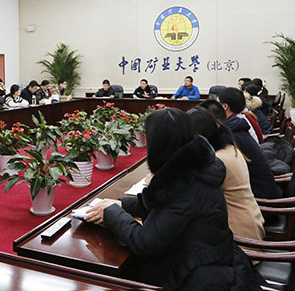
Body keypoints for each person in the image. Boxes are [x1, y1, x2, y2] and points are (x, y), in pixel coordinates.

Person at [84, 108, 261, 290]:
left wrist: (111, 213)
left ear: (159, 143)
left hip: (197, 276)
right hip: (208, 261)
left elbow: (145, 243)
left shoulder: (185, 185)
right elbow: (162, 201)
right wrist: (122, 204)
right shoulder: (192, 168)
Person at [187, 106, 265, 241]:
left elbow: (191, 194)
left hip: (238, 235)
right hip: (249, 220)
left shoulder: (217, 160)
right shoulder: (229, 147)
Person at [216, 88, 282, 199]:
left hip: (258, 196)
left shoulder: (233, 131)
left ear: (225, 106)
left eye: (217, 104)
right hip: (258, 187)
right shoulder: (238, 122)